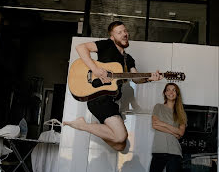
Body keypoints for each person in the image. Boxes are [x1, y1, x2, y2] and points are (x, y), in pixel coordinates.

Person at [63, 21, 162, 151]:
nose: (124, 34)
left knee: (120, 145)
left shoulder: (129, 59)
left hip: (112, 101)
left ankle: (92, 127)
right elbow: (81, 47)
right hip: (99, 99)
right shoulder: (107, 45)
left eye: (125, 31)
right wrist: (96, 69)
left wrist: (149, 78)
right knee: (120, 136)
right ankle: (83, 125)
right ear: (112, 37)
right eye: (119, 32)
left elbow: (136, 78)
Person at [148, 83, 187, 172]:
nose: (171, 92)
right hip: (159, 150)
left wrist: (163, 124)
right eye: (168, 90)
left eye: (174, 90)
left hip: (175, 153)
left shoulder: (181, 112)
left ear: (177, 94)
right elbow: (155, 125)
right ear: (164, 93)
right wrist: (173, 130)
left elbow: (181, 133)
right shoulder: (158, 107)